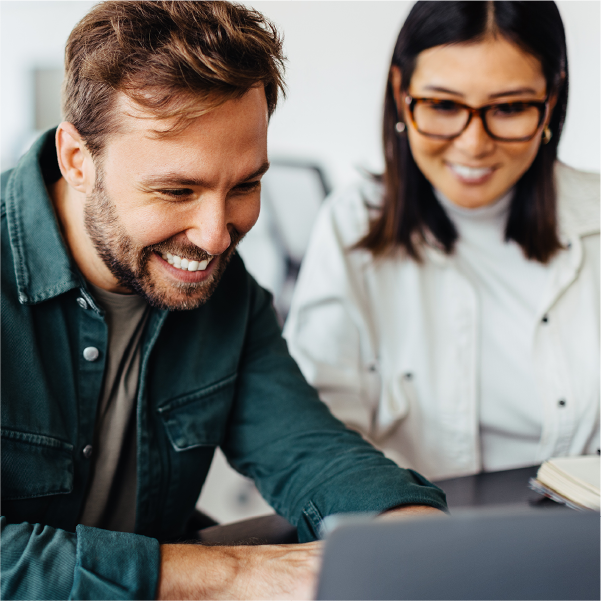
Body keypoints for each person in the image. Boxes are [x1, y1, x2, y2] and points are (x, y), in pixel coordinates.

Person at [0, 1, 448, 600]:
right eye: (176, 190)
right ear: (78, 160)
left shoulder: (224, 292)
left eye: (244, 185)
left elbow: (309, 451)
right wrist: (239, 573)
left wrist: (414, 539)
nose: (214, 238)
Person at [284, 0, 601, 482]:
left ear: (552, 100)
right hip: (411, 537)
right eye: (444, 105)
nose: (473, 144)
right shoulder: (351, 225)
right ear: (401, 92)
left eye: (510, 107)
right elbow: (314, 434)